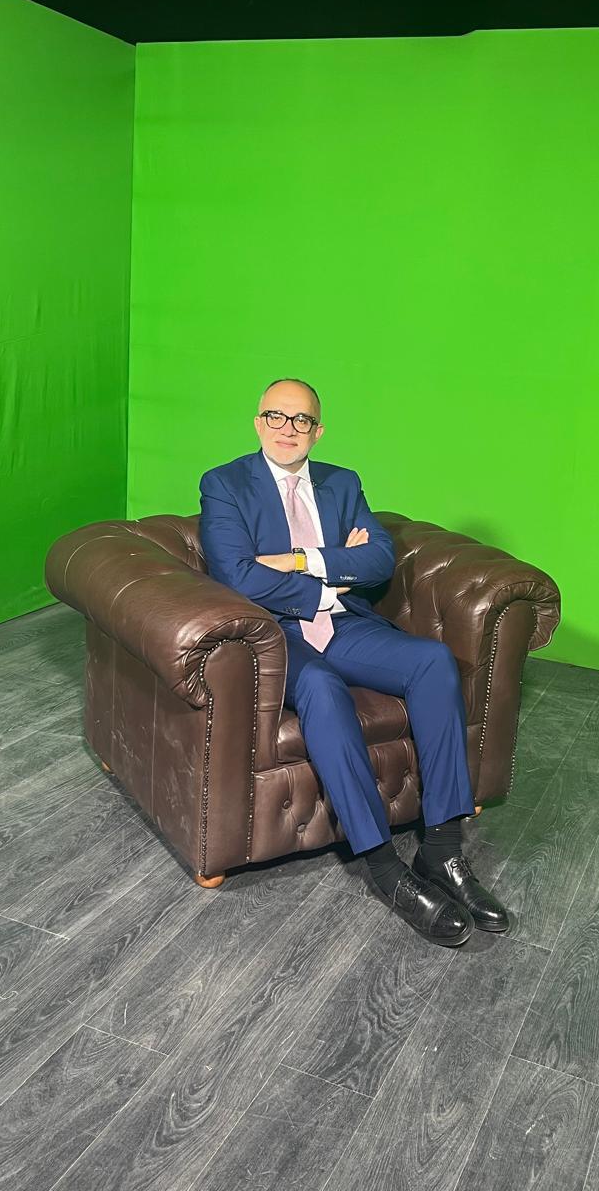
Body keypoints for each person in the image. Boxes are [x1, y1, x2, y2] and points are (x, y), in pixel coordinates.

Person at [198, 378, 510, 947]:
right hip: (275, 635)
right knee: (320, 687)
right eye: (275, 417)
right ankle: (385, 866)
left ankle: (442, 851)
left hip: (345, 626)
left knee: (433, 661)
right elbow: (236, 575)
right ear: (258, 422)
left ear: (318, 431)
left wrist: (298, 559)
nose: (287, 429)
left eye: (301, 420)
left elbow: (379, 560)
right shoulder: (224, 484)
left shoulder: (342, 482)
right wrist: (330, 575)